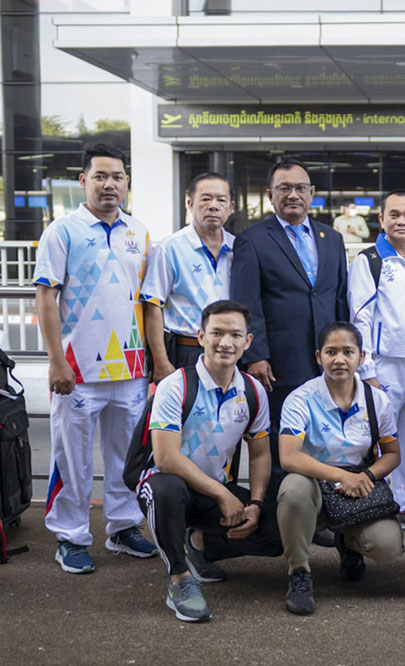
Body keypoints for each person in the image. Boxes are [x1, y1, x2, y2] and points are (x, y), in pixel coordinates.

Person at [34, 142, 157, 574]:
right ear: (83, 181)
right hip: (77, 369)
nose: (109, 184)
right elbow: (46, 297)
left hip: (131, 369)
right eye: (100, 176)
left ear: (126, 182)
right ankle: (70, 536)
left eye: (117, 177)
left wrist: (156, 362)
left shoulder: (138, 233)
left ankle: (123, 528)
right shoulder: (62, 231)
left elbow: (148, 301)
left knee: (127, 456)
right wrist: (55, 361)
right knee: (72, 457)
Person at [138, 300, 282, 622]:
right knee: (167, 489)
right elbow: (165, 458)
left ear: (247, 342)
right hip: (165, 484)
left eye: (235, 335)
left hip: (212, 489)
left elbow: (260, 453)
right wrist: (222, 494)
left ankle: (197, 544)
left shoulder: (253, 391)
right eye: (217, 333)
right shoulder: (175, 385)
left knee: (274, 533)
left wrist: (256, 503)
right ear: (201, 336)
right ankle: (179, 579)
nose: (225, 342)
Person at [276, 322, 404, 615]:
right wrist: (342, 476)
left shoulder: (377, 400)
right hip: (313, 484)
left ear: (361, 357)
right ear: (318, 356)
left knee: (387, 546)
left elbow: (393, 454)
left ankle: (348, 543)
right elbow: (289, 457)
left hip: (358, 485)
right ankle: (299, 573)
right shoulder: (301, 398)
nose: (339, 359)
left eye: (348, 351)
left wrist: (366, 476)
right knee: (293, 489)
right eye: (331, 352)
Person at [230, 157, 349, 469]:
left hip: (327, 361)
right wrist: (256, 355)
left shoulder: (332, 238)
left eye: (300, 188)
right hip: (279, 364)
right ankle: (276, 514)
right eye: (284, 188)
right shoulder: (252, 241)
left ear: (311, 193)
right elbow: (246, 303)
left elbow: (338, 299)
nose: (293, 195)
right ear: (271, 195)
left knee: (326, 439)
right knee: (280, 444)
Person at [349, 189, 405, 514]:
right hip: (387, 364)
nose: (401, 221)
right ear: (381, 219)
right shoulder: (369, 260)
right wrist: (367, 369)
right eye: (394, 215)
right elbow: (361, 317)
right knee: (380, 434)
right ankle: (372, 502)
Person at [141, 172, 235, 380]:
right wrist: (161, 361)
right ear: (190, 204)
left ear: (231, 207)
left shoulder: (239, 248)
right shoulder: (170, 248)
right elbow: (153, 306)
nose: (213, 205)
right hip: (187, 350)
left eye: (221, 200)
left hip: (231, 351)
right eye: (205, 199)